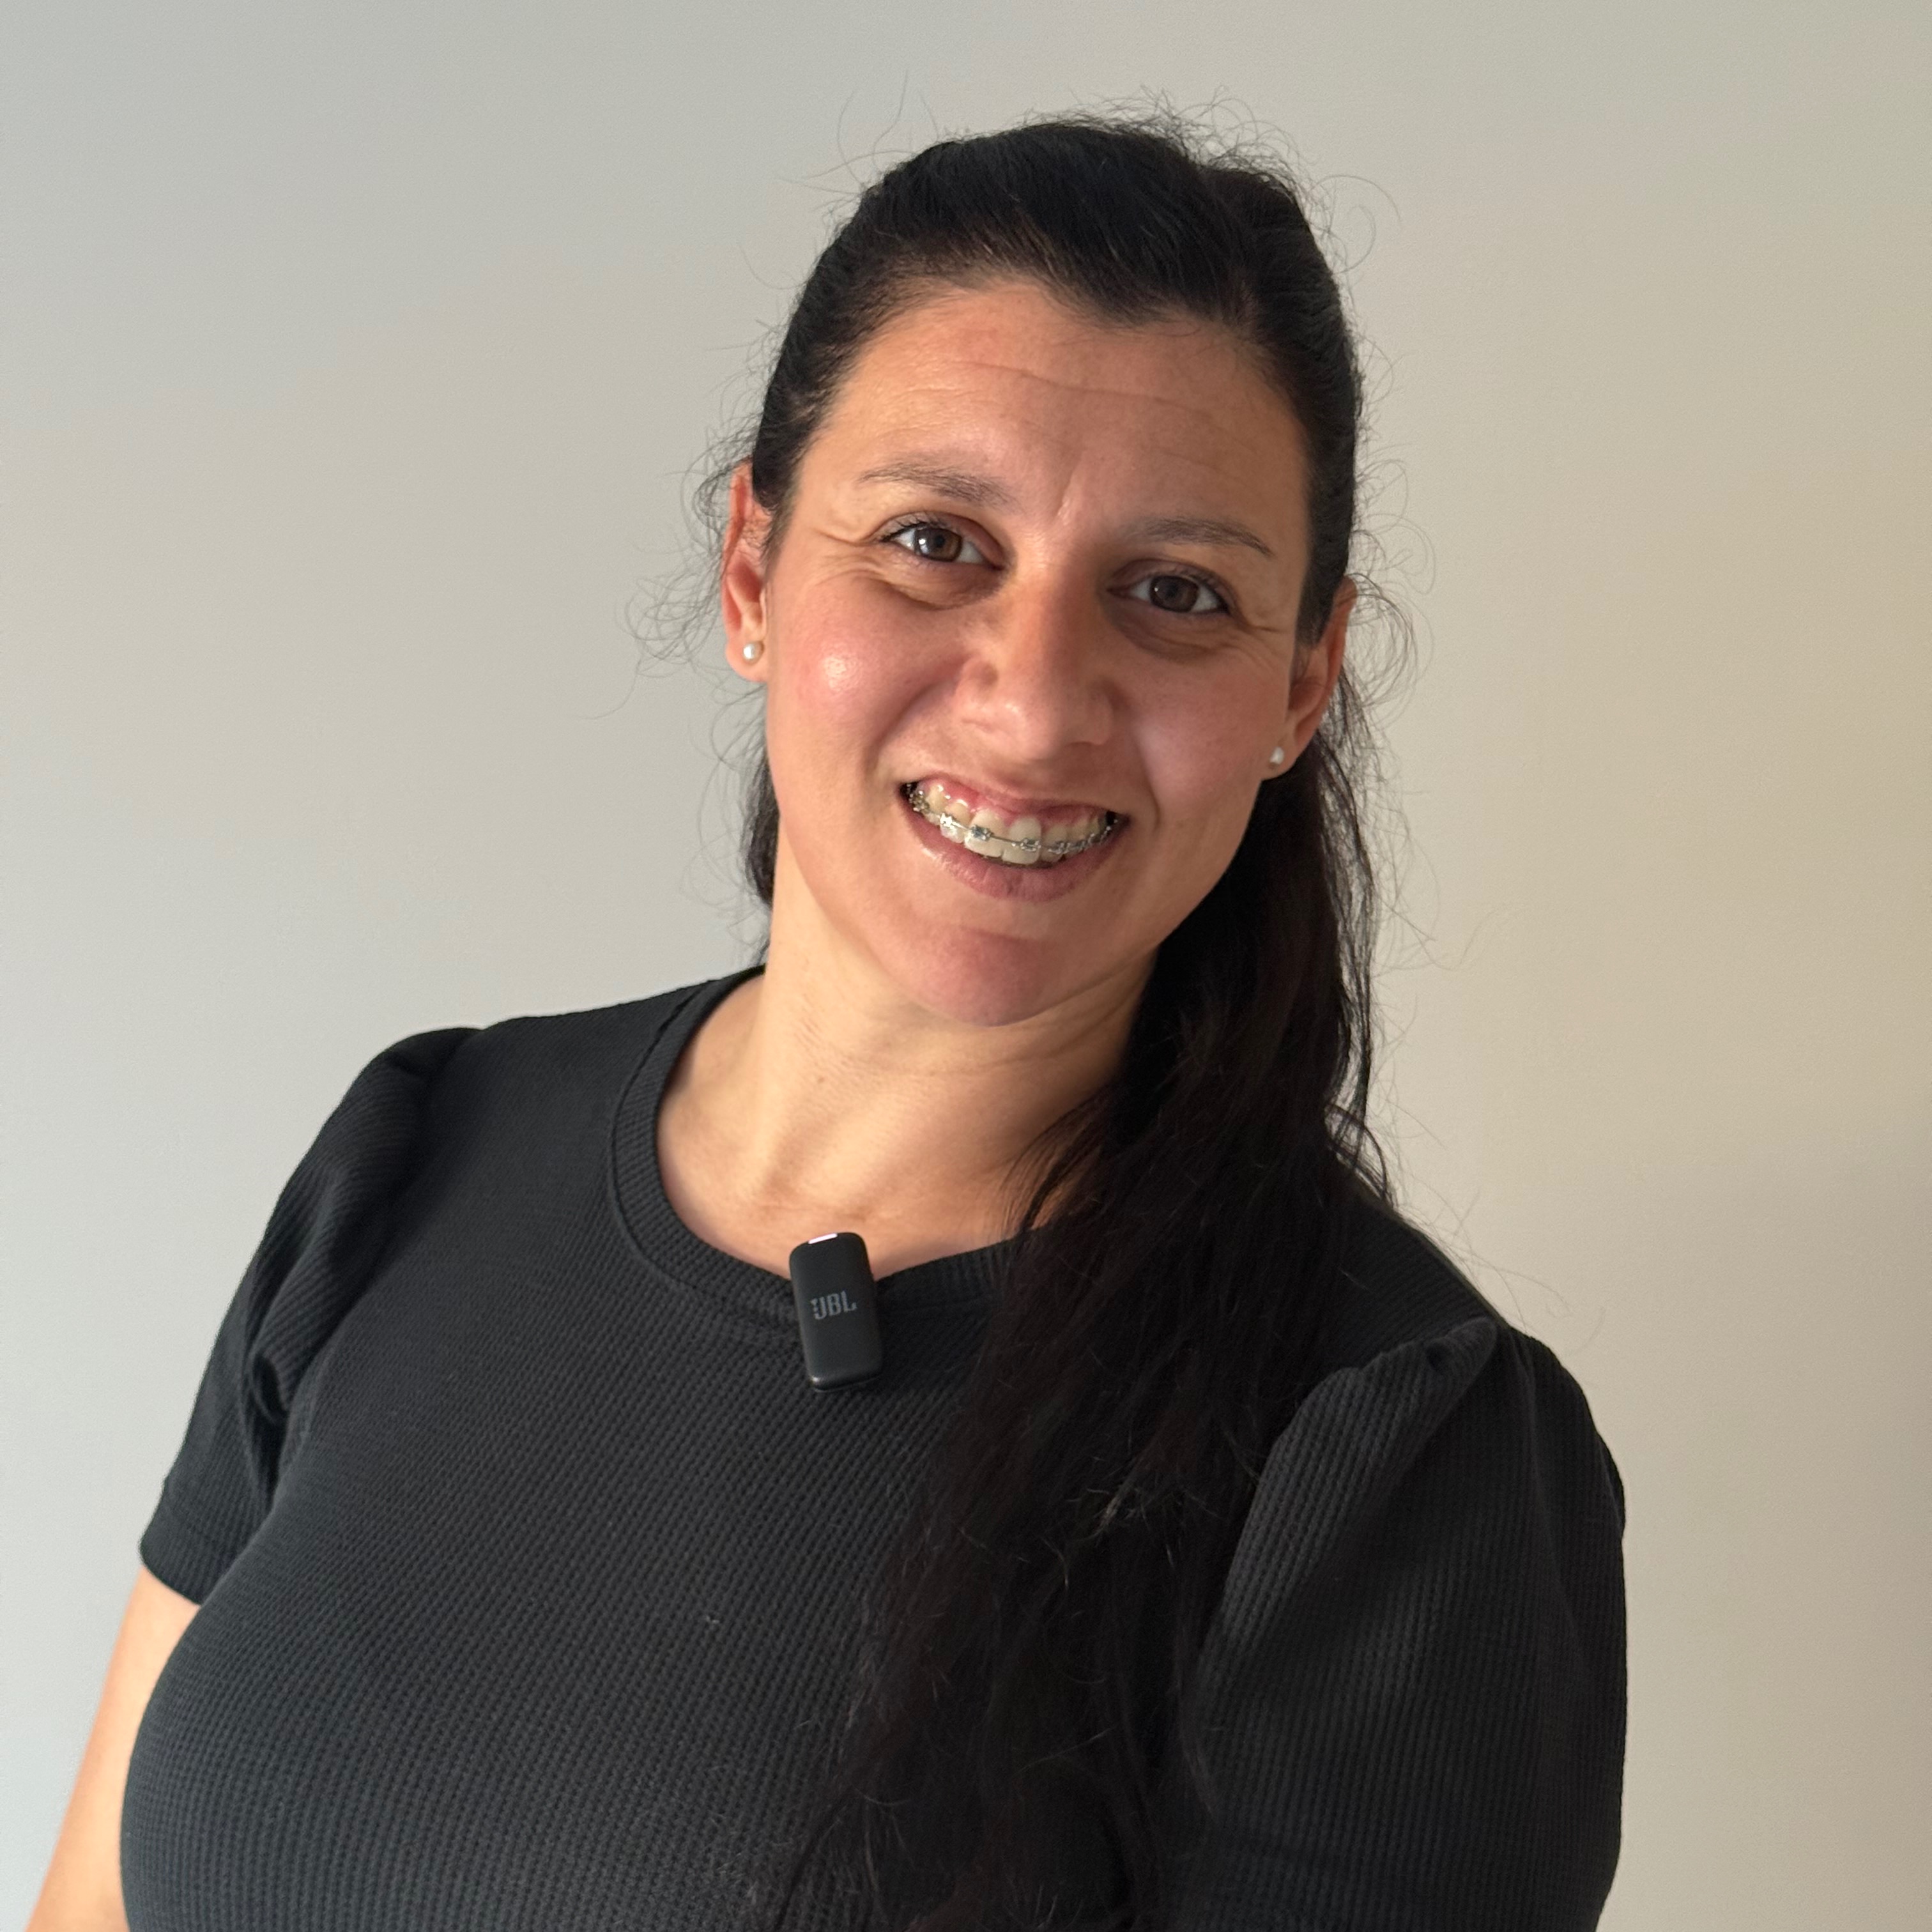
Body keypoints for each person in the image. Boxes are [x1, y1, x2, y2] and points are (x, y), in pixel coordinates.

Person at [31, 113, 1626, 1932]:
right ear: (753, 571)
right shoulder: (417, 1161)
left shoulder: (1389, 1455)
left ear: (1302, 678)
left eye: (1176, 593)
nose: (1035, 705)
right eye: (937, 541)